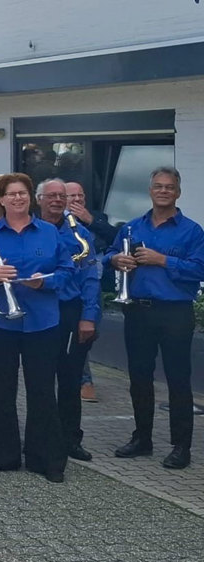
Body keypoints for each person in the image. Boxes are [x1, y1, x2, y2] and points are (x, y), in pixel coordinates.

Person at [0, 173, 74, 483]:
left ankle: (46, 460)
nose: (17, 198)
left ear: (31, 198)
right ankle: (1, 456)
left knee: (42, 390)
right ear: (0, 199)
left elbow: (68, 271)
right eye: (11, 194)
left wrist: (45, 281)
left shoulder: (50, 233)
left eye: (22, 193)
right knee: (1, 390)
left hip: (42, 322)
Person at [107, 167, 204, 470]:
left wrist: (163, 260)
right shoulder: (132, 227)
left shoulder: (192, 231)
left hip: (175, 312)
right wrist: (115, 259)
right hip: (138, 310)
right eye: (158, 186)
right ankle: (142, 438)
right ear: (150, 191)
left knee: (178, 380)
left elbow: (200, 269)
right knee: (139, 378)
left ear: (178, 192)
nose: (163, 191)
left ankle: (181, 446)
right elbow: (108, 253)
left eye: (169, 187)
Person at [35, 178, 100, 463]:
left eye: (61, 196)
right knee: (40, 380)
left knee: (71, 380)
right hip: (39, 311)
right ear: (39, 199)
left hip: (70, 312)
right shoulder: (30, 230)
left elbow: (91, 279)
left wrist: (89, 317)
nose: (57, 200)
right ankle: (41, 438)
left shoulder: (80, 234)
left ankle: (71, 439)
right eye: (50, 196)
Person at [65, 180, 114, 403]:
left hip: (93, 284)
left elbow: (115, 238)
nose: (77, 199)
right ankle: (84, 380)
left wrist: (90, 220)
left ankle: (78, 375)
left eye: (80, 195)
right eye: (72, 196)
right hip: (69, 286)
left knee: (90, 331)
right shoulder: (56, 222)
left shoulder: (97, 218)